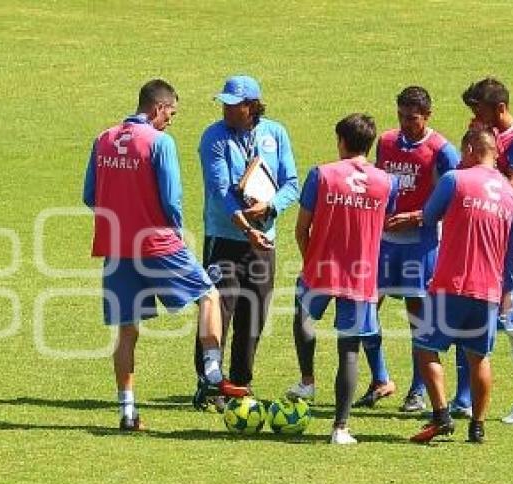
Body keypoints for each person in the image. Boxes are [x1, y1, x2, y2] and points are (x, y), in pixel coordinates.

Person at [83, 79, 249, 431]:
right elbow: (171, 200)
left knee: (127, 332)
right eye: (170, 113)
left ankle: (127, 413)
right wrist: (173, 231)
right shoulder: (160, 142)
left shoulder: (103, 139)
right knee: (209, 296)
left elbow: (89, 195)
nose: (170, 120)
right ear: (158, 108)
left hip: (115, 246)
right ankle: (212, 372)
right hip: (158, 242)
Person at [348, 86, 460, 413]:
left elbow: (453, 197)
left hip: (421, 245)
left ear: (428, 116)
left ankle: (417, 390)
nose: (405, 123)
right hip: (383, 242)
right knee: (365, 307)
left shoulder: (442, 152)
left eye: (412, 118)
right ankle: (380, 378)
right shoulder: (385, 142)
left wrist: (419, 217)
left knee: (418, 319)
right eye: (400, 116)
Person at [409, 126, 513, 444]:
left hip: (451, 283)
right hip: (488, 290)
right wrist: (507, 291)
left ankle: (442, 415)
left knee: (425, 348)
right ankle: (478, 426)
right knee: (479, 357)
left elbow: (430, 216)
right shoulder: (512, 196)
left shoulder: (455, 180)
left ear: (472, 148)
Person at [192, 75, 299, 410]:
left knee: (254, 313)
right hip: (224, 237)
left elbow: (291, 183)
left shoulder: (275, 133)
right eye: (224, 102)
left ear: (251, 106)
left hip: (263, 240)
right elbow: (221, 189)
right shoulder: (214, 136)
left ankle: (239, 383)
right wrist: (245, 226)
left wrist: (271, 206)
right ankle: (210, 382)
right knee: (218, 309)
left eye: (233, 104)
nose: (226, 108)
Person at [291, 113, 398, 444]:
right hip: (361, 276)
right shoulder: (387, 182)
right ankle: (340, 428)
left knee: (302, 314)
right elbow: (386, 222)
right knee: (349, 350)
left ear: (341, 141)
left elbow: (301, 229)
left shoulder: (320, 175)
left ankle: (307, 380)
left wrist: (310, 260)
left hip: (321, 268)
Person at [451, 77, 513, 425]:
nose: (475, 116)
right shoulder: (479, 136)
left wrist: (481, 155)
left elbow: (506, 190)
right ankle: (462, 398)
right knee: (467, 312)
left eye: (480, 110)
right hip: (477, 234)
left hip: (511, 238)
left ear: (500, 108)